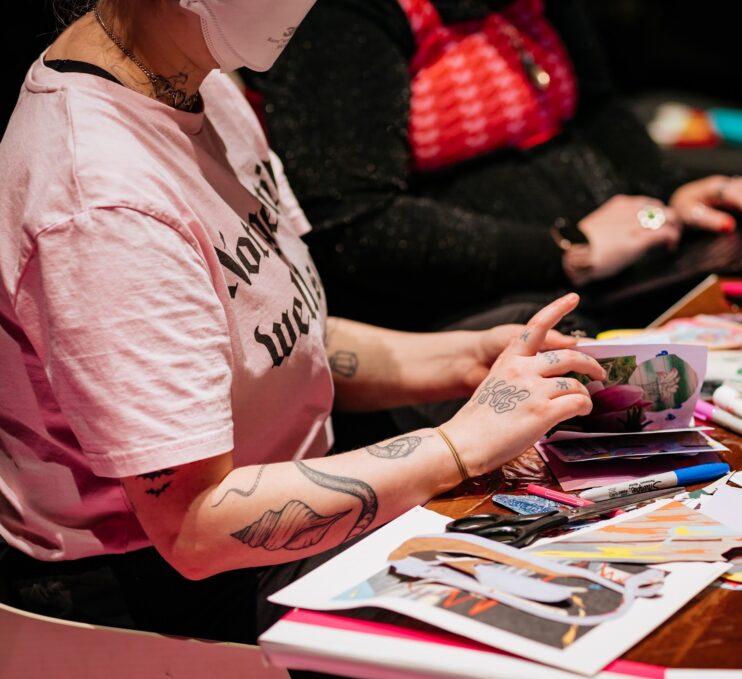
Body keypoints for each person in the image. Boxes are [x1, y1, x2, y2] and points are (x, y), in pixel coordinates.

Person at [0, 0, 606, 645]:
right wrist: (458, 446)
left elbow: (285, 340)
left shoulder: (195, 81)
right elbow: (196, 529)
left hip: (276, 524)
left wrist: (461, 363)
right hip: (161, 593)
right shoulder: (102, 204)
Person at [246, 0, 742, 331]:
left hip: (616, 273)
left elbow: (596, 108)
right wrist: (568, 250)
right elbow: (352, 226)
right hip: (469, 313)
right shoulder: (343, 16)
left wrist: (674, 193)